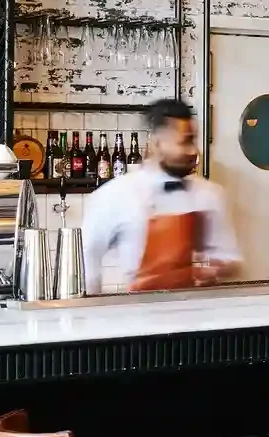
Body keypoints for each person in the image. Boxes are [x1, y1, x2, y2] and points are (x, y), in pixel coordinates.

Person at [81, 99, 241, 293]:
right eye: (184, 142)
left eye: (193, 140)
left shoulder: (210, 194)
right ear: (157, 144)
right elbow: (86, 262)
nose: (193, 151)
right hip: (140, 309)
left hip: (200, 308)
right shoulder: (114, 195)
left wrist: (209, 271)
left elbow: (231, 260)